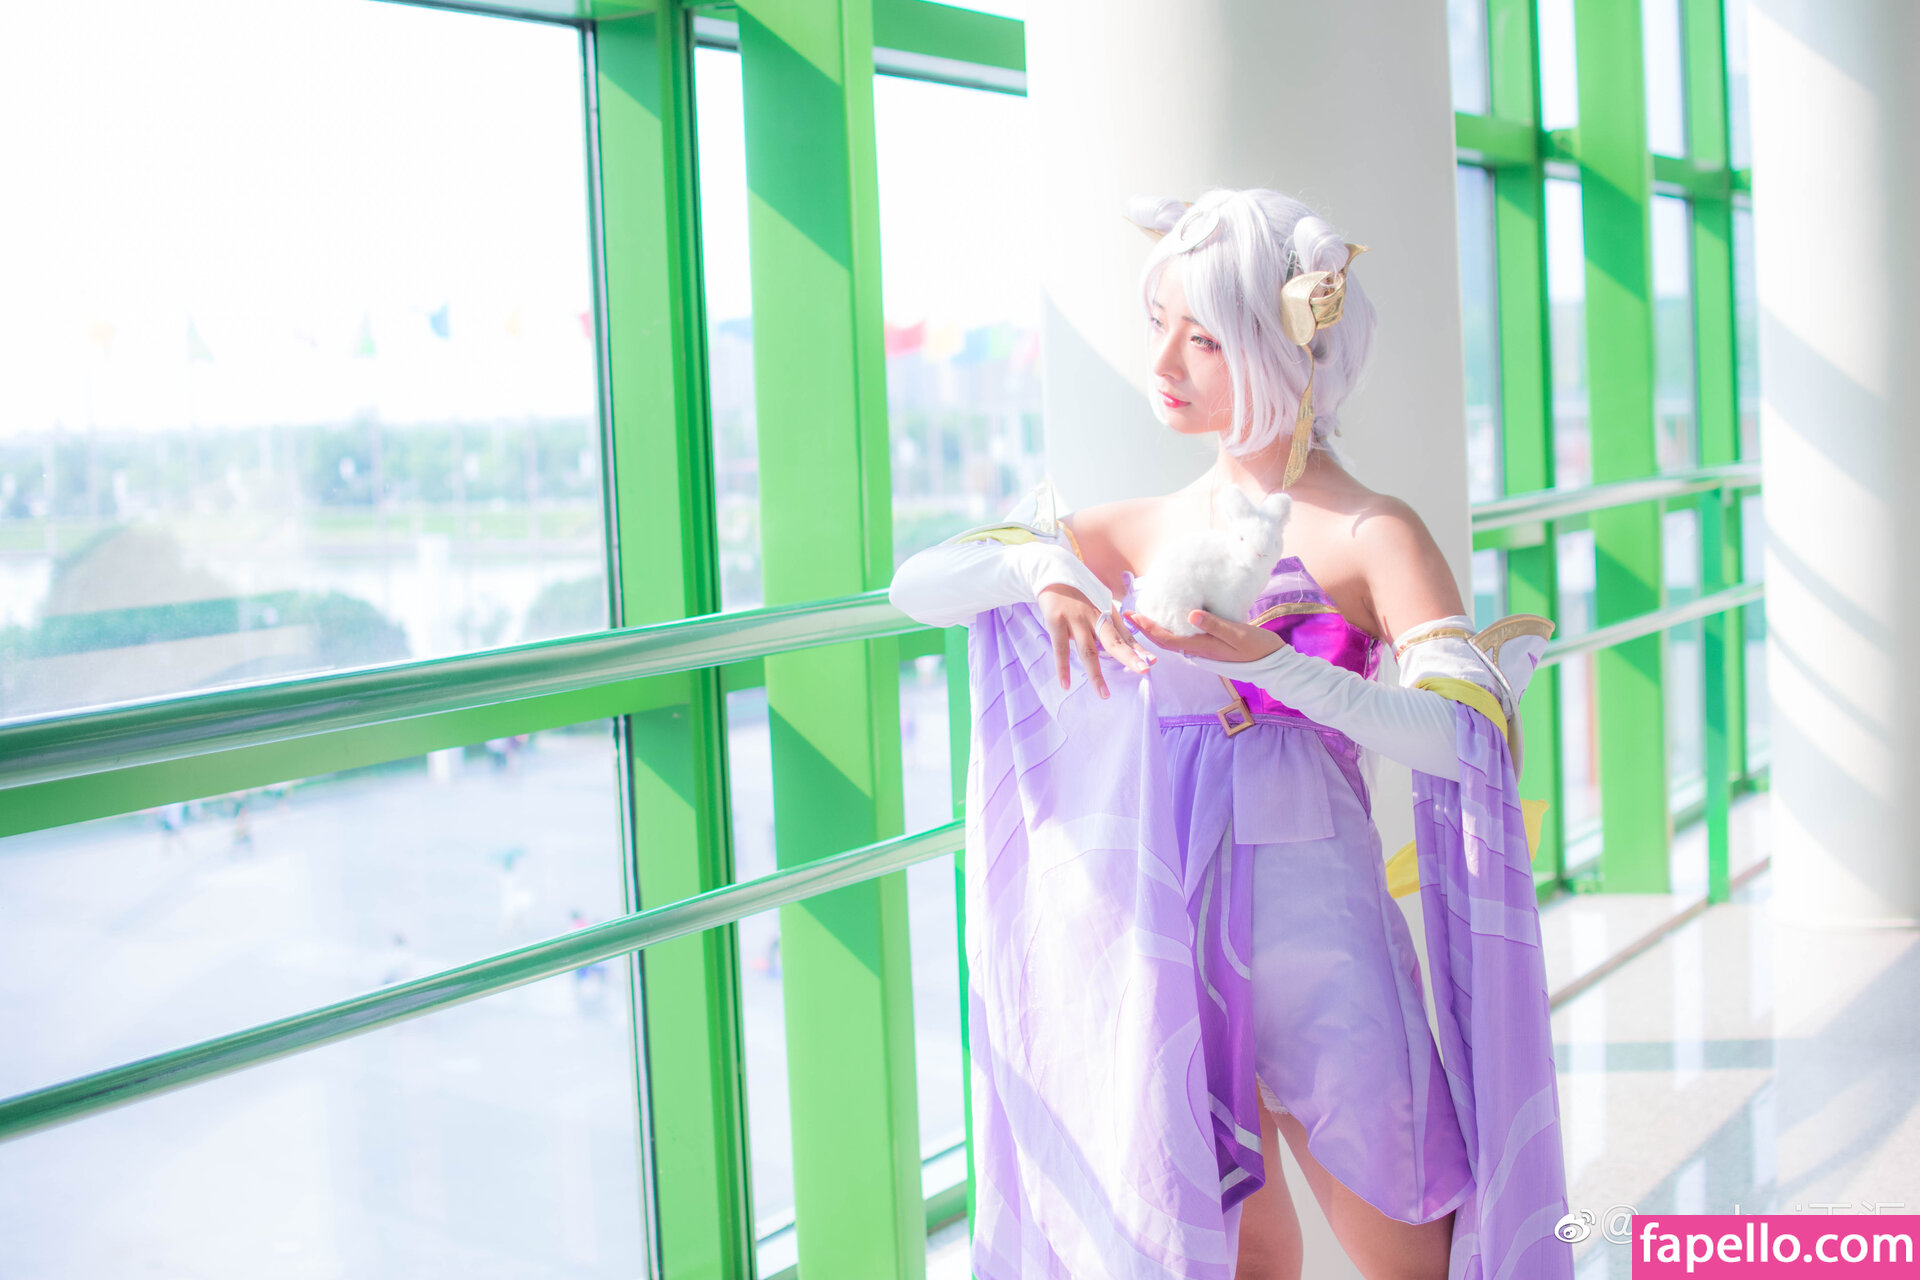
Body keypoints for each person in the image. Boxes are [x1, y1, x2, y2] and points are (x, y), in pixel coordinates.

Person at [889, 188, 1572, 1280]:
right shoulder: (1139, 526)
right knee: (1231, 1242)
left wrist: (1276, 667)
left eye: (1203, 338)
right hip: (1164, 927)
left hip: (1321, 930)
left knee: (1410, 1241)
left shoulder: (1372, 531)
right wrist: (1043, 567)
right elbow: (918, 584)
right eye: (1159, 322)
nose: (1164, 360)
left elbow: (1461, 738)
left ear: (1286, 352)